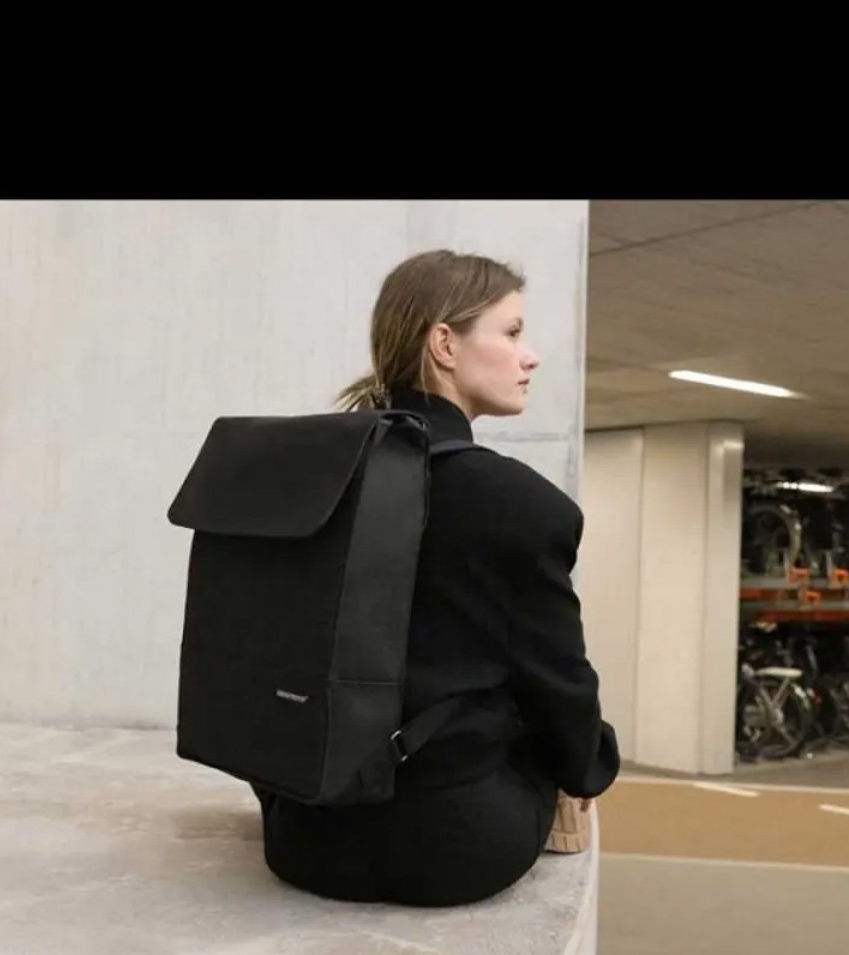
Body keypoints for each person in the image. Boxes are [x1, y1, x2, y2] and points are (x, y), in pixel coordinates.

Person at [254, 248, 620, 907]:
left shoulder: (313, 475)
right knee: (554, 729)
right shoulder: (519, 504)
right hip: (455, 849)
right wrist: (591, 763)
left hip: (301, 836)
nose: (531, 356)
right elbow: (561, 686)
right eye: (512, 333)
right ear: (445, 344)